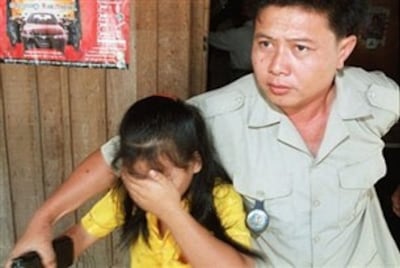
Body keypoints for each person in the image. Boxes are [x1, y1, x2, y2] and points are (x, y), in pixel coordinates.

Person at [6, 0, 400, 267]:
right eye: (265, 44)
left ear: (343, 50)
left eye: (300, 48)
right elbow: (117, 155)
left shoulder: (376, 99)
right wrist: (42, 222)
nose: (276, 66)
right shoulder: (220, 115)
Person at [9, 95, 262, 267]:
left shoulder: (222, 200)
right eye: (137, 176)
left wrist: (171, 211)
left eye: (161, 177)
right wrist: (39, 259)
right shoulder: (131, 193)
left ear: (195, 163)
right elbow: (82, 236)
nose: (149, 189)